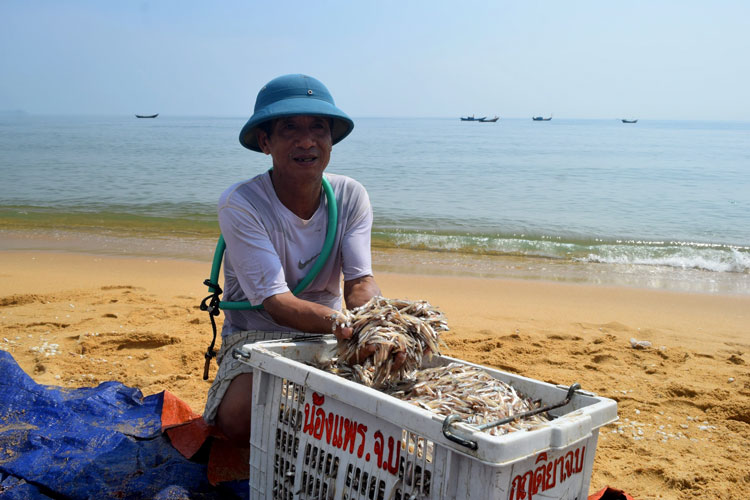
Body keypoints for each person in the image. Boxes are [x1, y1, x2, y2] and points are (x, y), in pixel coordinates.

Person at [202, 74, 388, 444]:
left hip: (329, 333)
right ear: (265, 142)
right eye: (290, 128)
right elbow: (277, 303)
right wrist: (343, 325)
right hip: (257, 336)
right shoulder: (241, 202)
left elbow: (359, 283)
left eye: (318, 127)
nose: (306, 141)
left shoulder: (351, 195)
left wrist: (377, 322)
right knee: (239, 418)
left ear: (331, 139)